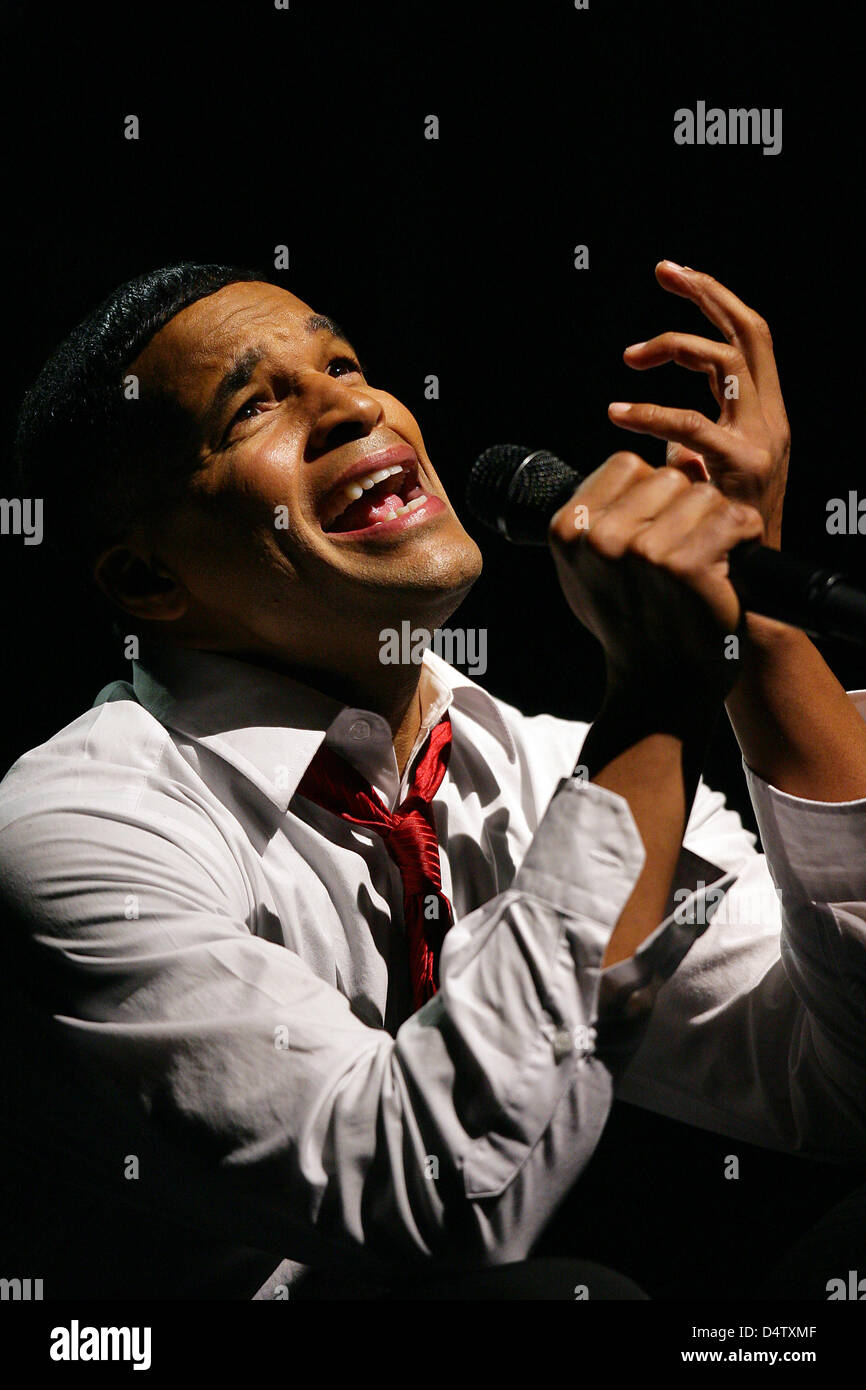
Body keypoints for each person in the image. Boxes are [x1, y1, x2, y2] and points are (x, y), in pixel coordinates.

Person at [1, 260, 865, 1300]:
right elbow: (434, 1198)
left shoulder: (535, 766)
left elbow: (842, 1089)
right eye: (251, 408)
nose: (351, 406)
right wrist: (656, 695)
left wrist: (747, 611)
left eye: (342, 363)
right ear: (147, 580)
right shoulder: (81, 828)